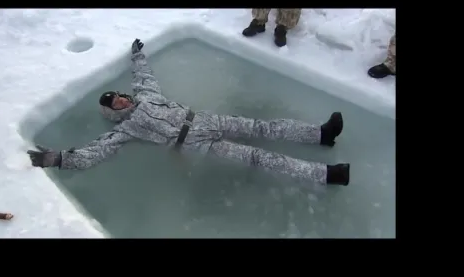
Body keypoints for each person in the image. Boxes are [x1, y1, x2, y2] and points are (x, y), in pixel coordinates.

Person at [27, 39, 350, 186]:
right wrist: (60, 159)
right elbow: (96, 152)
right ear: (113, 113)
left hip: (206, 119)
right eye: (115, 104)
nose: (122, 102)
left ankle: (321, 133)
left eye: (120, 98)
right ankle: (327, 175)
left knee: (265, 127)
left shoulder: (145, 95)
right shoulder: (126, 129)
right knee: (260, 157)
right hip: (195, 143)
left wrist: (137, 54)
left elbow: (144, 76)